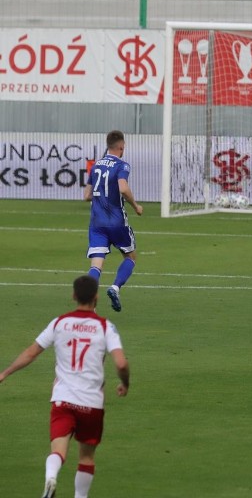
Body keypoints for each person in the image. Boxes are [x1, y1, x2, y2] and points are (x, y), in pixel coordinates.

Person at [0, 275, 130, 498]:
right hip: (91, 402)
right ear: (96, 297)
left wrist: (5, 372)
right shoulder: (105, 326)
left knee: (58, 451)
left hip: (62, 399)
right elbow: (120, 363)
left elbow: (32, 352)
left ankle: (51, 477)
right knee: (86, 457)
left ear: (73, 296)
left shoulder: (59, 323)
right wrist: (124, 383)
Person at [84, 130, 143, 312]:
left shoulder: (95, 166)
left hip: (97, 222)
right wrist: (135, 205)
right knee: (130, 257)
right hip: (116, 221)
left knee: (96, 265)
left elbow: (86, 195)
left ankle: (89, 306)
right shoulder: (122, 166)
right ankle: (115, 287)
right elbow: (123, 188)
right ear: (121, 147)